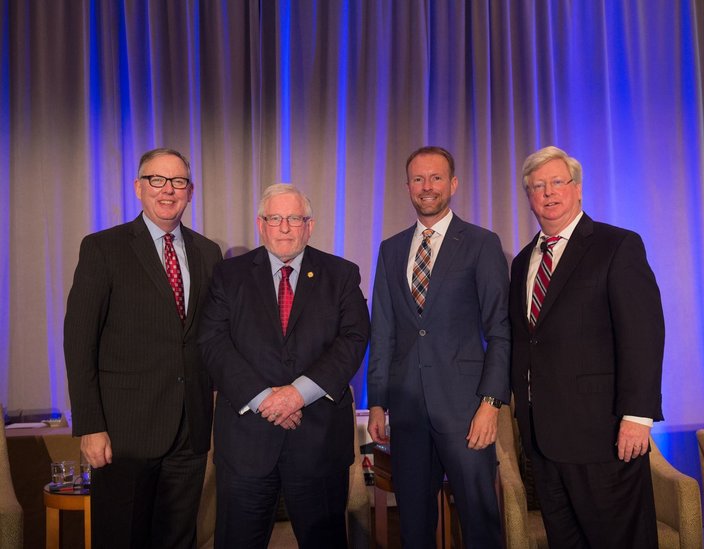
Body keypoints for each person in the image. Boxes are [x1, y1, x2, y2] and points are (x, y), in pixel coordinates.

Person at [64, 148, 223, 548]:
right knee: (121, 537)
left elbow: (210, 336)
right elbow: (79, 340)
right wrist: (90, 425)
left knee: (177, 540)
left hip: (189, 429)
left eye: (178, 182)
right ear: (138, 187)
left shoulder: (208, 253)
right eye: (157, 180)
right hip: (124, 434)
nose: (168, 190)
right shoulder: (103, 248)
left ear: (191, 191)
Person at [198, 183, 370, 548]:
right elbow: (213, 343)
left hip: (318, 443)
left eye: (295, 218)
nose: (285, 227)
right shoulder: (229, 275)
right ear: (261, 225)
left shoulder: (341, 274)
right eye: (275, 218)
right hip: (246, 443)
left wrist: (297, 394)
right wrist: (263, 398)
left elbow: (354, 339)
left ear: (311, 225)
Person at [510, 146, 664, 548]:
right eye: (537, 186)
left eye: (557, 182)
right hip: (542, 439)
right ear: (528, 196)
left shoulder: (617, 245)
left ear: (577, 190)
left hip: (604, 435)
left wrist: (638, 416)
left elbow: (643, 335)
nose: (548, 192)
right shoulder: (523, 261)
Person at [367, 146, 510, 548]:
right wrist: (377, 401)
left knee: (479, 520)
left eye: (435, 178)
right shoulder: (390, 249)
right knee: (413, 523)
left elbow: (500, 328)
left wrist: (490, 404)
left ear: (453, 184)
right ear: (407, 186)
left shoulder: (481, 244)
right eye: (418, 179)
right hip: (408, 410)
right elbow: (384, 330)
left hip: (467, 410)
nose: (426, 187)